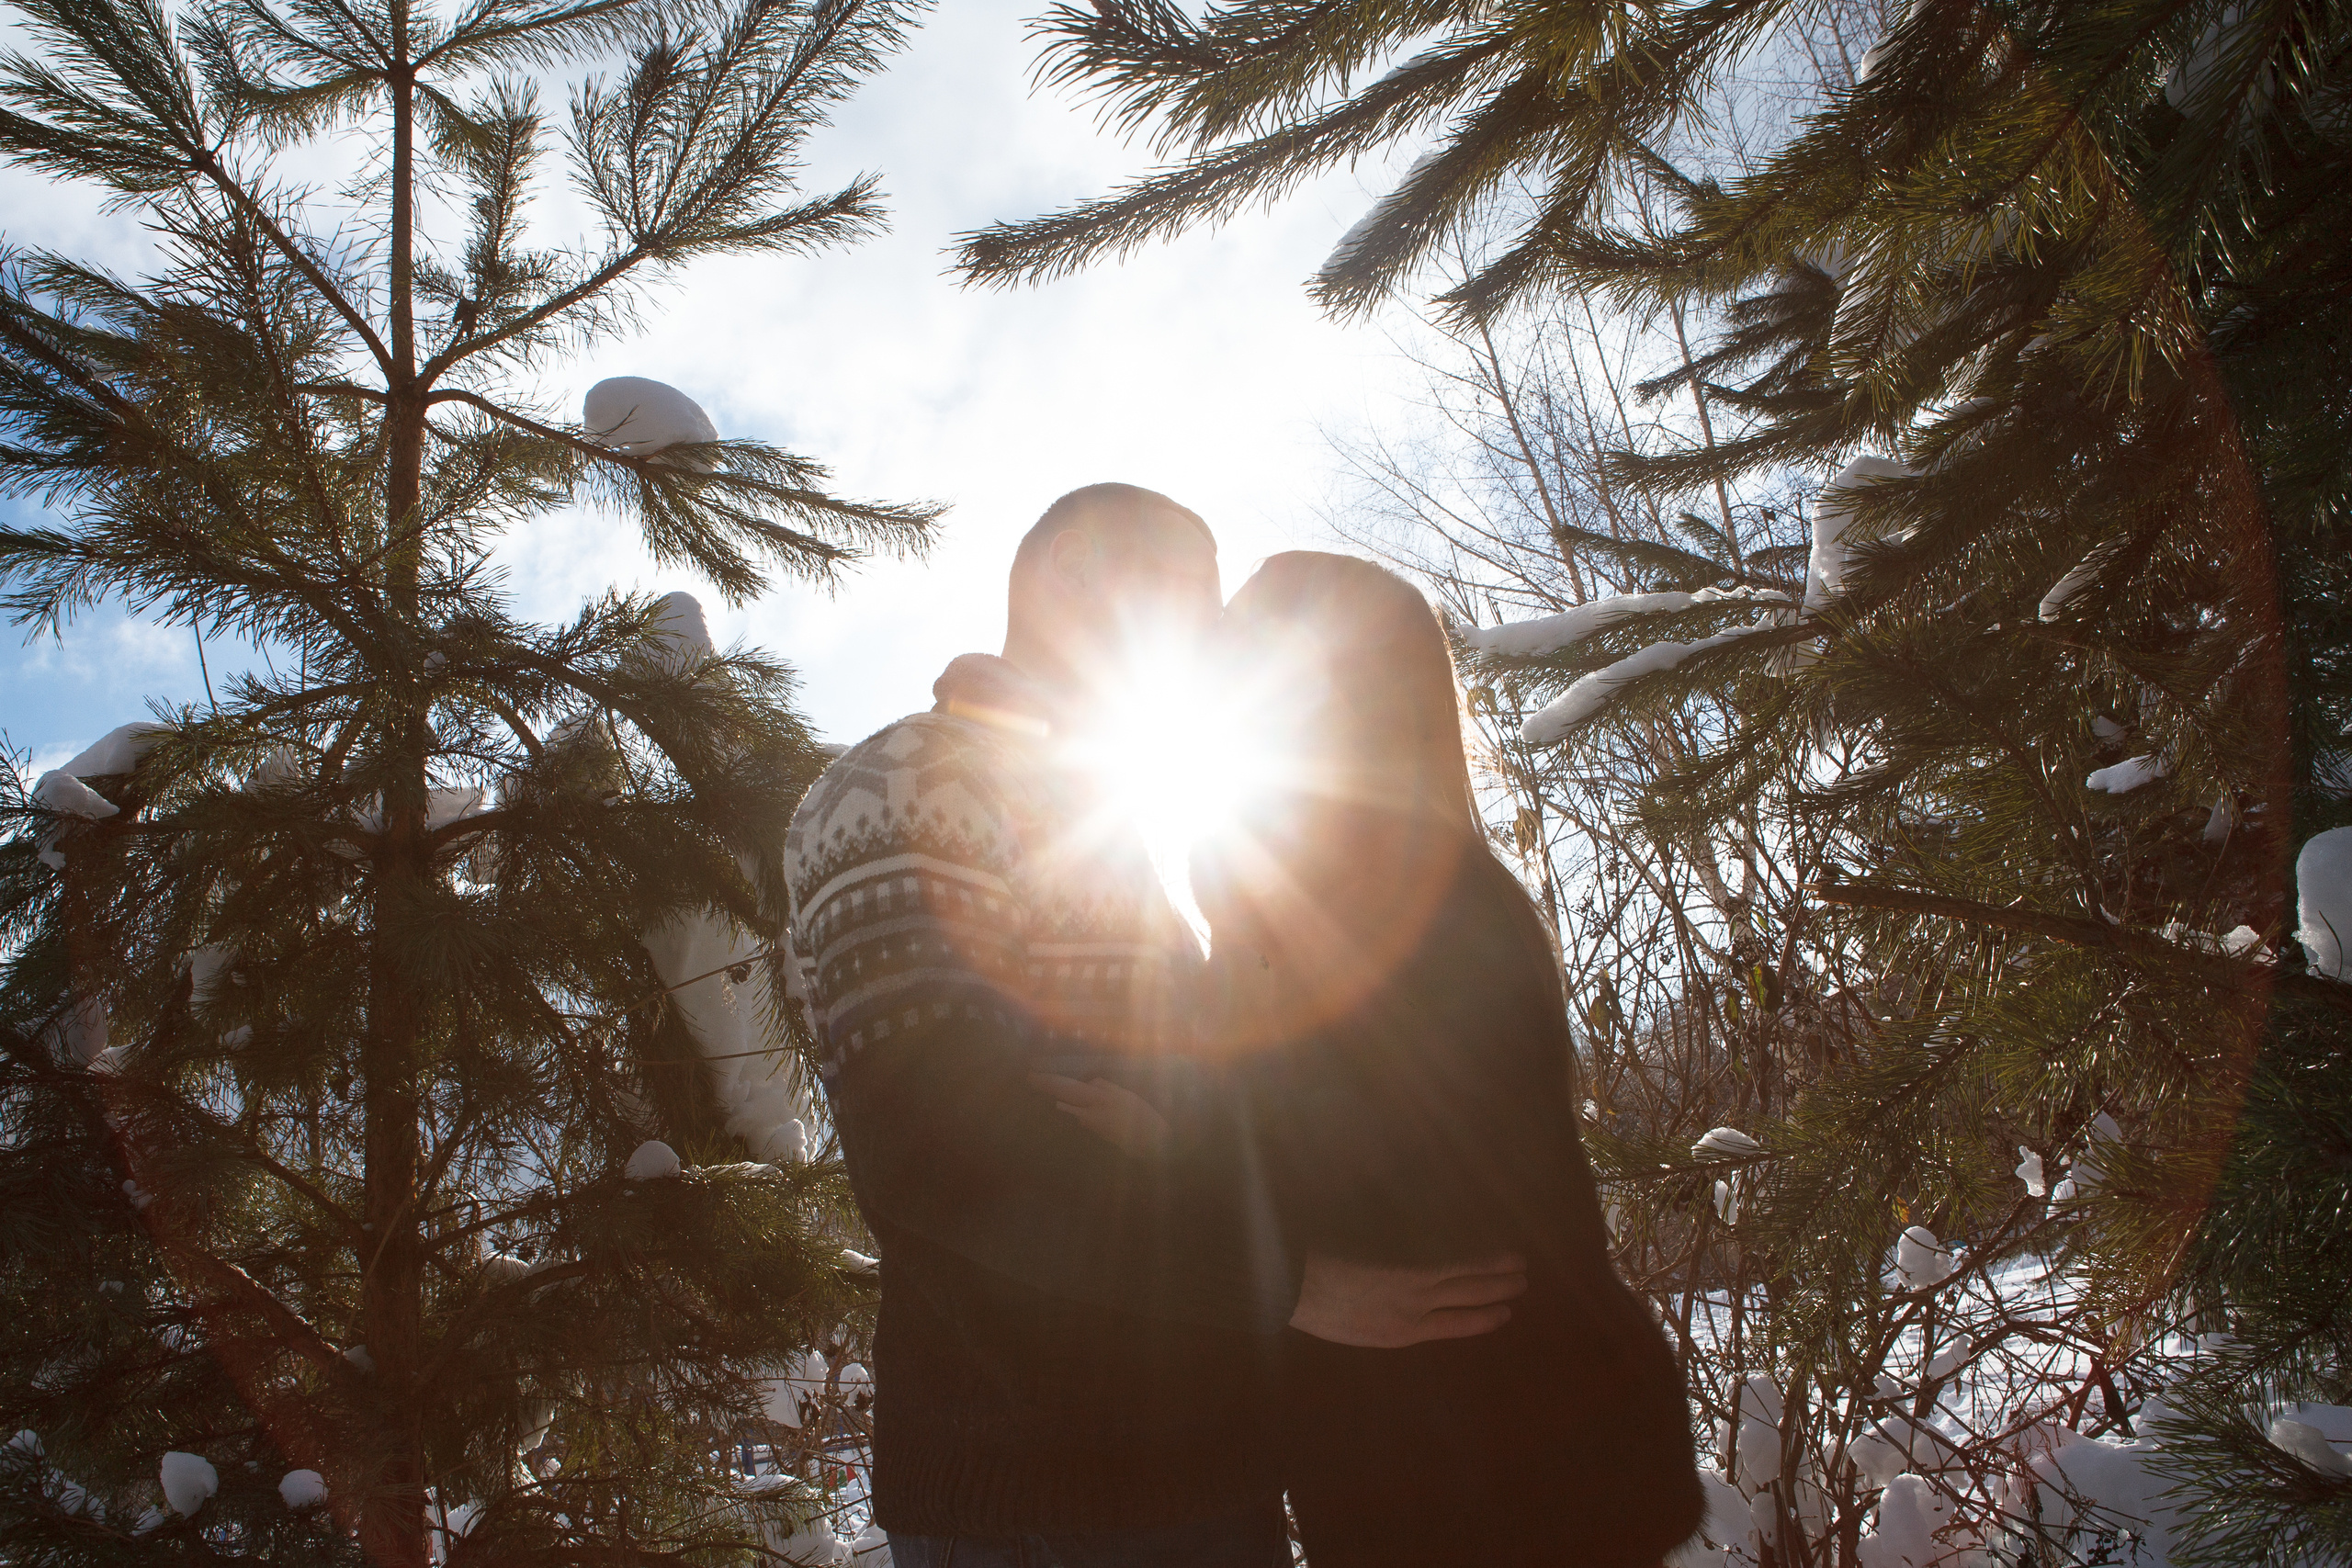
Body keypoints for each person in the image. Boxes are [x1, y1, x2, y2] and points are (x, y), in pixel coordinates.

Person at [782, 489, 1531, 1567]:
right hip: (1038, 1492)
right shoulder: (906, 779)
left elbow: (1173, 1121)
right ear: (1072, 568)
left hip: (1195, 1481)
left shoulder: (1101, 824)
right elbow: (936, 1149)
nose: (1206, 641)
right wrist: (1298, 1285)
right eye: (1187, 600)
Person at [1043, 551, 1704, 1565]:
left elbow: (1381, 1182)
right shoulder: (1327, 908)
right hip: (1455, 1456)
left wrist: (1177, 1163)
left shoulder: (1422, 907)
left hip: (1518, 1467)